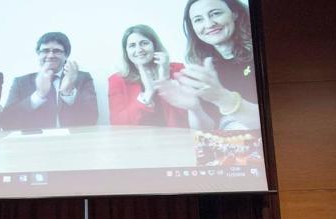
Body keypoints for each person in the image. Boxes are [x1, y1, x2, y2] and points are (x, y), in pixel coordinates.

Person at [156, 0, 260, 130]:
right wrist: (194, 108)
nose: (209, 24)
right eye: (198, 20)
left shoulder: (263, 53)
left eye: (215, 13)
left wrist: (223, 98)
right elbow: (205, 130)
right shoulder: (203, 67)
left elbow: (270, 119)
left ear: (234, 13)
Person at [109, 25, 211, 129]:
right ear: (126, 52)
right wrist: (148, 93)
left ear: (155, 46)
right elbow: (117, 125)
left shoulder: (177, 69)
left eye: (144, 43)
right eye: (132, 45)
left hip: (175, 138)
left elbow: (189, 118)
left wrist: (164, 78)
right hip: (137, 141)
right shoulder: (117, 80)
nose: (139, 50)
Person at [0, 32, 98, 130]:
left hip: (72, 141)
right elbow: (6, 123)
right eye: (45, 51)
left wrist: (68, 93)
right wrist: (38, 95)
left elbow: (92, 119)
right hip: (34, 143)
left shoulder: (82, 78)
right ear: (38, 54)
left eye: (57, 51)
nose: (50, 55)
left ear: (66, 55)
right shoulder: (20, 83)